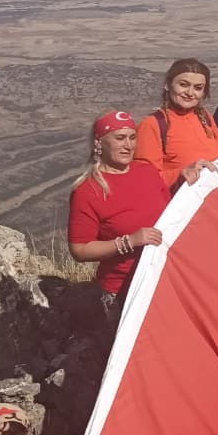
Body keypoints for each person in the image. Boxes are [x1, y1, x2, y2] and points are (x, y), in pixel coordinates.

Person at [67, 111, 180, 322]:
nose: (128, 145)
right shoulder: (87, 190)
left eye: (132, 137)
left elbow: (169, 214)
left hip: (164, 280)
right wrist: (129, 242)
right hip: (123, 291)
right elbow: (80, 249)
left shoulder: (147, 171)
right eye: (120, 138)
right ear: (99, 143)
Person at [135, 59, 218, 189]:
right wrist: (180, 174)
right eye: (183, 85)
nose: (189, 93)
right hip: (182, 199)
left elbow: (217, 156)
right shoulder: (152, 125)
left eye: (198, 88)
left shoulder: (205, 117)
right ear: (168, 85)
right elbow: (144, 179)